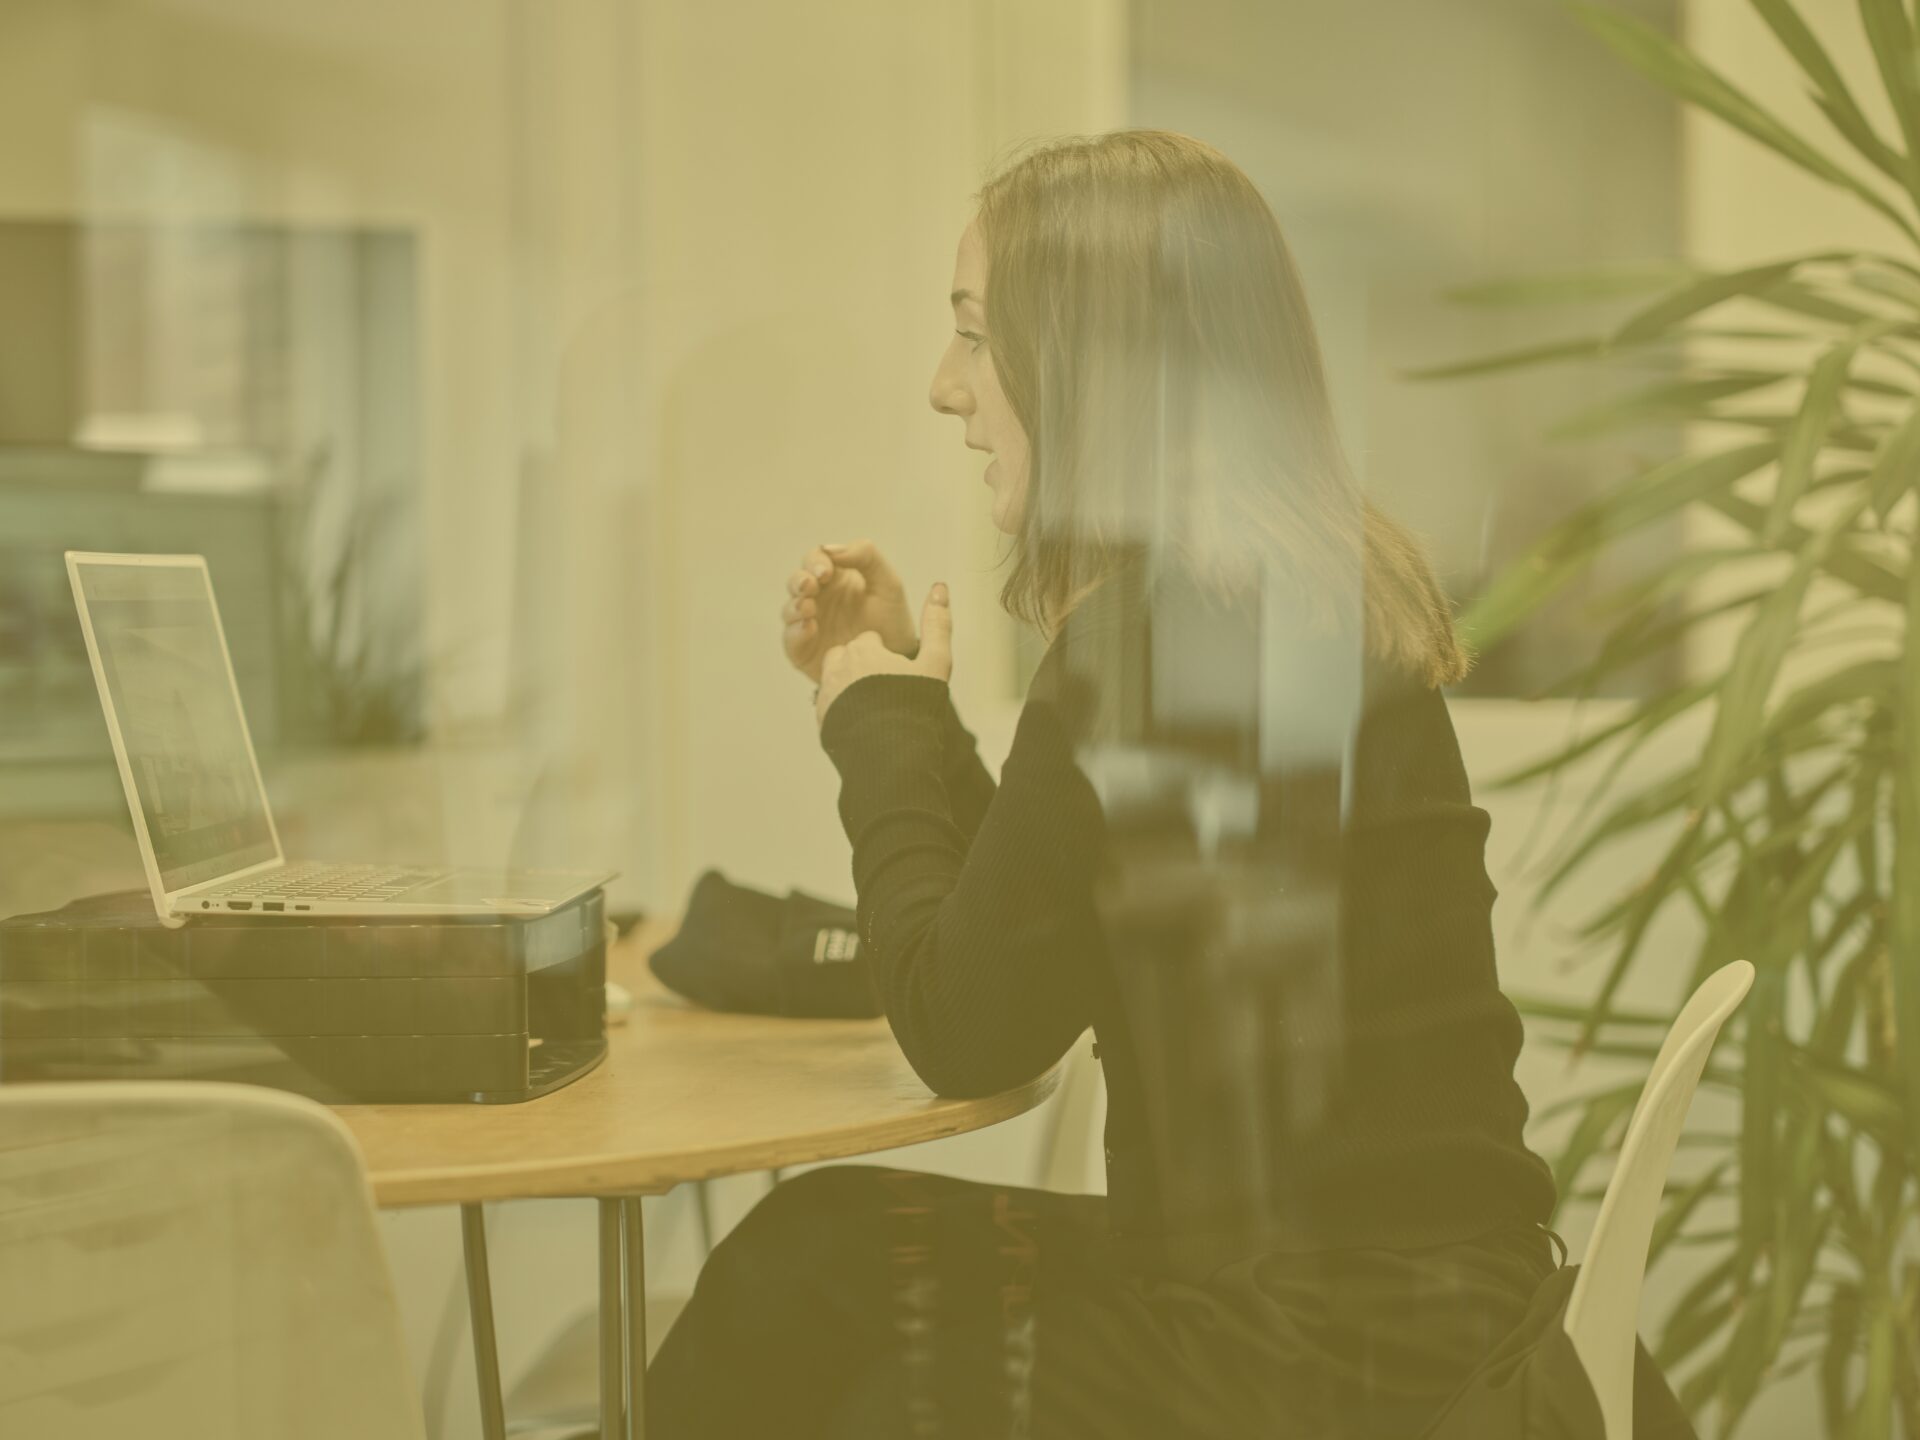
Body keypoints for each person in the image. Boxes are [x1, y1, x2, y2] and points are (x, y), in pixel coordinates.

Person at [646, 130, 1562, 1439]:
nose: (943, 386)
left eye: (974, 333)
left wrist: (877, 721)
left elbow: (968, 1024)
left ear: (1087, 361)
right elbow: (1043, 929)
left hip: (1314, 1357)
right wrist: (907, 708)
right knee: (822, 1256)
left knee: (852, 1359)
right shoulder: (1270, 602)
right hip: (1403, 1306)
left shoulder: (1160, 641)